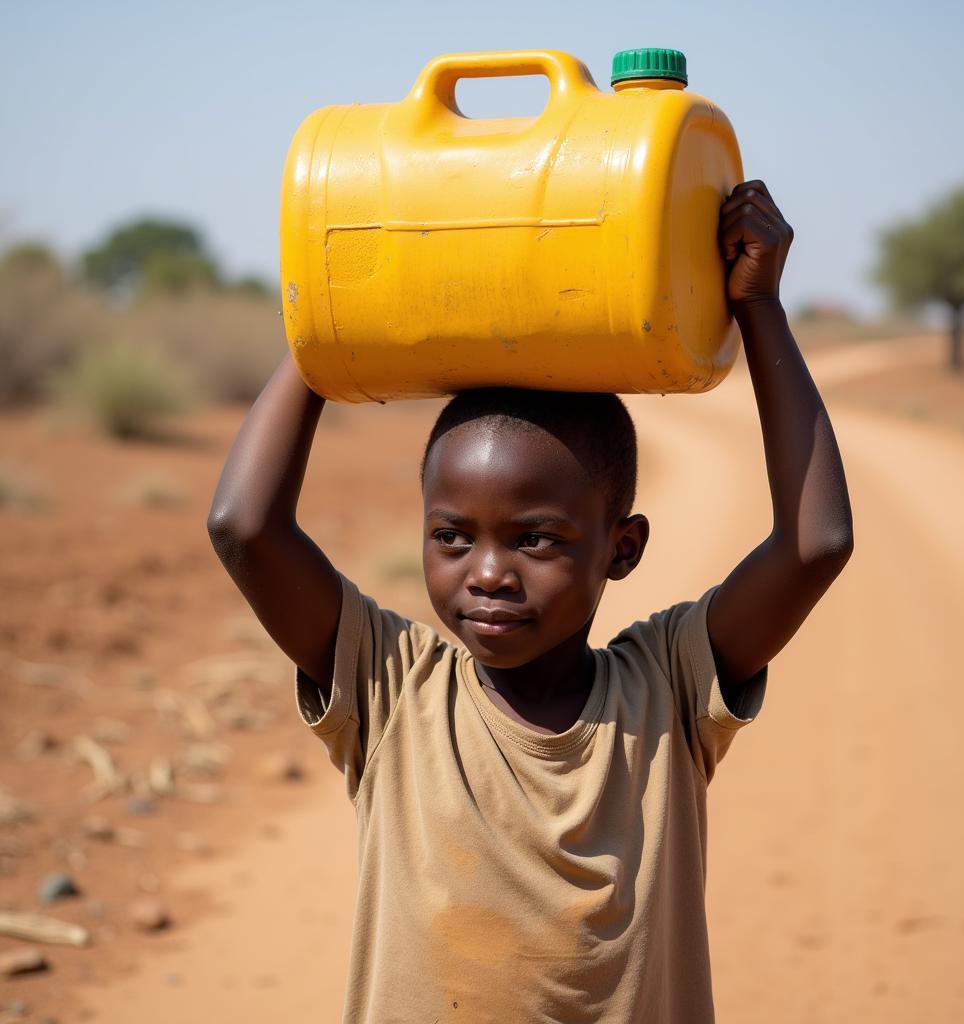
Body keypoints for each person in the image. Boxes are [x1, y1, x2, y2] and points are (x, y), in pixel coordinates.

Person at [207, 180, 854, 1022]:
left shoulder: (666, 689)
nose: (487, 573)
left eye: (535, 540)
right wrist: (328, 328)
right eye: (452, 537)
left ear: (622, 549)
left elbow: (816, 544)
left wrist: (759, 304)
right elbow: (244, 527)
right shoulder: (394, 689)